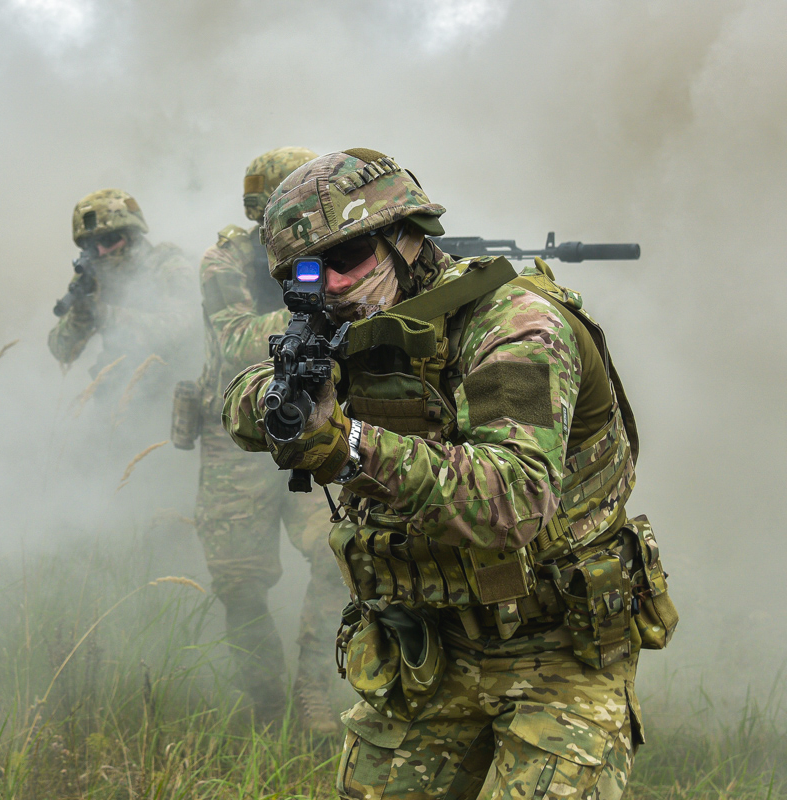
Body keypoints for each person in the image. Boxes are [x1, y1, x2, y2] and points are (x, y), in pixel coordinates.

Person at [222, 149, 677, 797]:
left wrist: (348, 444)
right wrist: (278, 407)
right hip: (425, 649)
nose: (329, 285)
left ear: (406, 238)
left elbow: (512, 502)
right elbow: (243, 394)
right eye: (306, 271)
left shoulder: (516, 325)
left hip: (559, 648)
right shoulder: (350, 321)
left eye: (346, 260)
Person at [192, 147, 349, 732]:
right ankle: (264, 703)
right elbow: (235, 340)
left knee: (338, 553)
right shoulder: (224, 260)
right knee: (240, 579)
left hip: (310, 421)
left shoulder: (330, 254)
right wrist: (319, 308)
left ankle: (313, 687)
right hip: (235, 438)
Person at [48, 188, 193, 398]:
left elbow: (182, 327)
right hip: (117, 394)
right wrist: (78, 320)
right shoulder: (93, 276)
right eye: (92, 245)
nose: (102, 251)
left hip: (169, 390)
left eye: (108, 240)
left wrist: (108, 315)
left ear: (132, 234)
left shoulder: (169, 265)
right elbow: (61, 351)